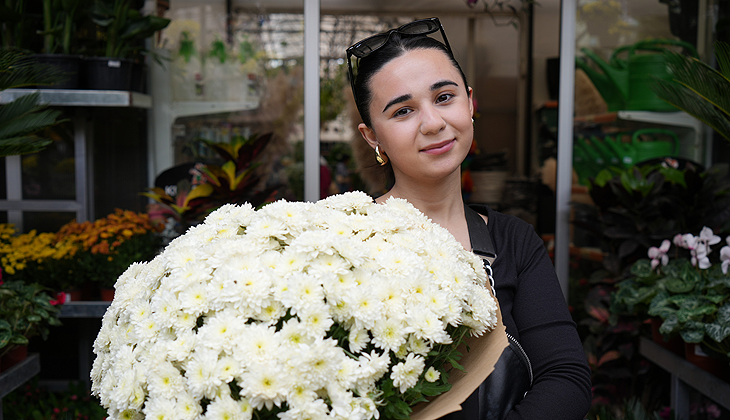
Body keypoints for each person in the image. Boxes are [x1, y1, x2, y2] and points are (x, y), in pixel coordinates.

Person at [346, 18, 591, 420]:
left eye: (444, 97)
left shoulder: (514, 242)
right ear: (373, 136)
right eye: (403, 110)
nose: (433, 123)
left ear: (470, 103)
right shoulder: (342, 239)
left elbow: (566, 379)